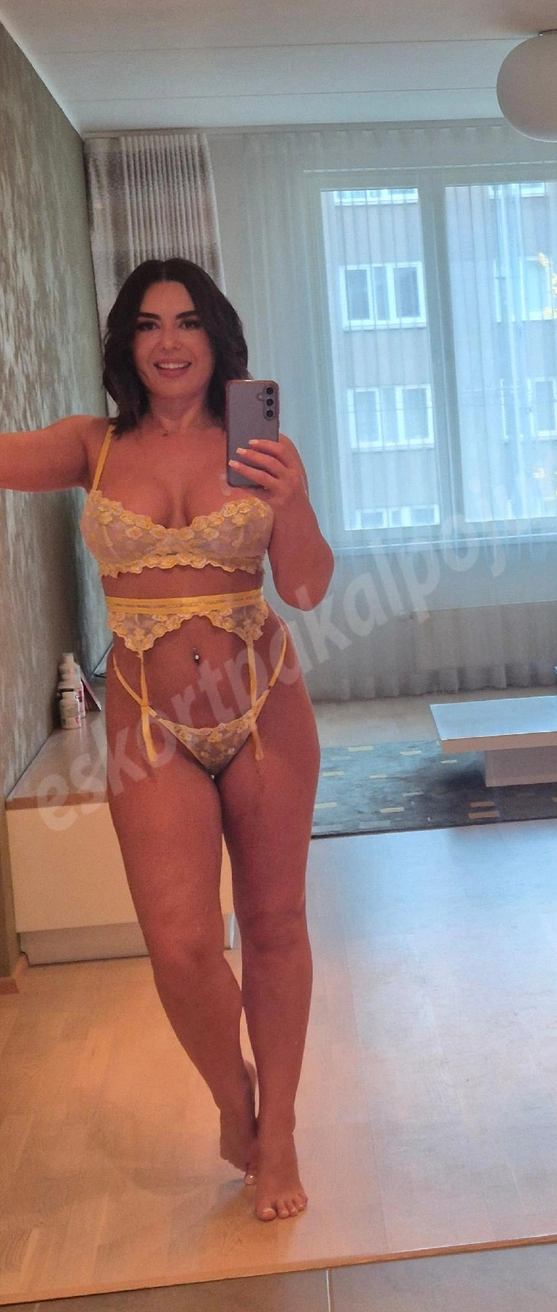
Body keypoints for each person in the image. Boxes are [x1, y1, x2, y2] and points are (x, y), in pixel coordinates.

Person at [0, 258, 334, 1221]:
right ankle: (235, 1098)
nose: (170, 341)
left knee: (275, 926)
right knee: (182, 945)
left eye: (187, 321)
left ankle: (282, 1132)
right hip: (150, 725)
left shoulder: (259, 443)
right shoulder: (94, 446)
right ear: (127, 344)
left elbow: (305, 589)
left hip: (265, 707)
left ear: (215, 335)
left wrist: (292, 500)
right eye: (148, 325)